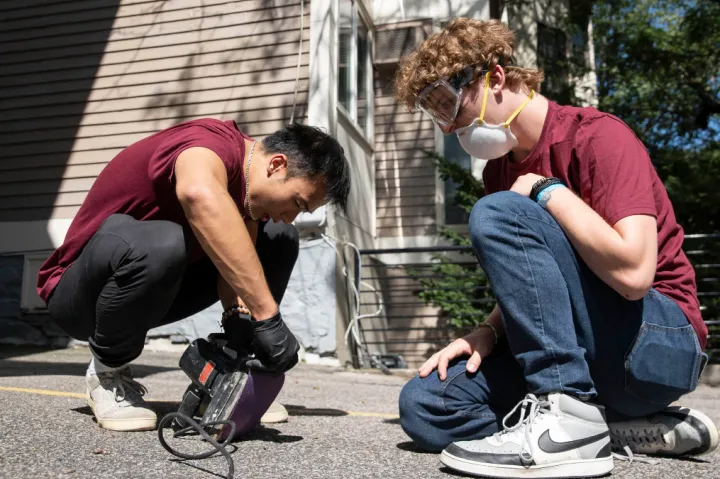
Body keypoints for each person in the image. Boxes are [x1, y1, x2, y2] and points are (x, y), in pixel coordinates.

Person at [393, 18, 718, 478]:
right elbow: (543, 282)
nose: (447, 128)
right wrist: (488, 331)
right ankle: (610, 427)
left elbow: (634, 275)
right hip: (592, 357)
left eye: (449, 104)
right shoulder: (498, 174)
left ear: (496, 79)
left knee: (498, 211)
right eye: (435, 113)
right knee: (428, 405)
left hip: (660, 345)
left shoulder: (598, 136)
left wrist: (549, 190)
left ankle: (566, 417)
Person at [37, 119, 351, 432]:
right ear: (277, 165)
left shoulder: (247, 196)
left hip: (149, 289)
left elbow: (236, 272)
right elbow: (197, 194)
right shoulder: (206, 144)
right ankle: (107, 372)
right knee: (165, 241)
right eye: (297, 202)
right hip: (79, 295)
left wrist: (245, 328)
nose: (291, 216)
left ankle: (229, 377)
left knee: (278, 238)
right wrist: (267, 316)